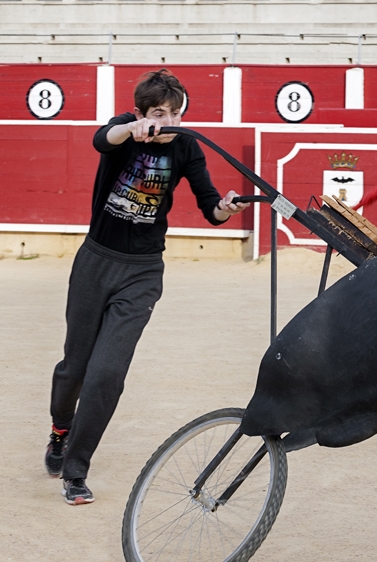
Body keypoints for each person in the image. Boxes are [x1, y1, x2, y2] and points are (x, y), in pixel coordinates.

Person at [45, 69, 249, 505]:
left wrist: (225, 209)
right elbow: (103, 139)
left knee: (107, 375)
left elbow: (209, 205)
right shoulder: (125, 132)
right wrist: (131, 129)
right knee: (73, 369)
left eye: (176, 113)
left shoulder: (186, 145)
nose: (169, 122)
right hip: (95, 263)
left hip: (141, 273)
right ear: (140, 112)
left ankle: (75, 471)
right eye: (160, 113)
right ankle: (59, 431)